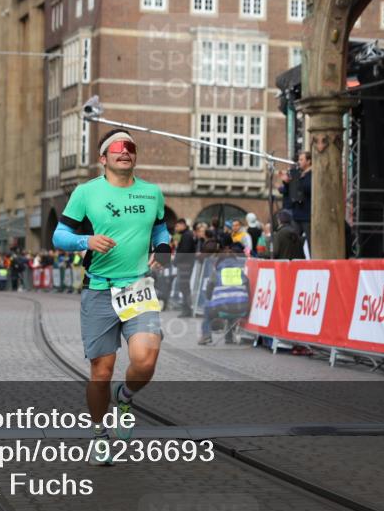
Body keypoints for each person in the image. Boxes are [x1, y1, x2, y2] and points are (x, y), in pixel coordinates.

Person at [52, 128, 170, 465]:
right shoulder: (86, 193)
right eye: (116, 148)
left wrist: (162, 248)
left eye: (130, 147)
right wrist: (85, 242)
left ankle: (126, 396)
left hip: (137, 288)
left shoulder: (151, 193)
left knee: (146, 360)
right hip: (100, 288)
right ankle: (99, 432)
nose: (124, 152)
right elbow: (60, 234)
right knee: (101, 372)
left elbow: (160, 227)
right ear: (103, 158)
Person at [198, 246, 250, 345]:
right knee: (231, 308)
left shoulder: (217, 273)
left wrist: (212, 300)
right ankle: (229, 338)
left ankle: (206, 335)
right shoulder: (241, 273)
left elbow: (208, 292)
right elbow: (248, 290)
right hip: (241, 309)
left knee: (207, 310)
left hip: (223, 308)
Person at [278, 151, 312, 244]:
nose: (299, 162)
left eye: (301, 159)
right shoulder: (298, 174)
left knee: (310, 242)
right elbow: (290, 192)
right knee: (294, 242)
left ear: (308, 161)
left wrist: (294, 181)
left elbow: (308, 188)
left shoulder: (311, 174)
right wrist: (286, 182)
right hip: (297, 213)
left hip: (307, 214)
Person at [173, 218, 197, 317]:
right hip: (184, 264)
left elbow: (185, 251)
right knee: (184, 287)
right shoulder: (185, 235)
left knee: (184, 287)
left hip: (185, 264)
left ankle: (187, 309)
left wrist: (176, 260)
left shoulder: (186, 235)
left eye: (177, 226)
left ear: (183, 225)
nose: (176, 228)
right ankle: (186, 309)